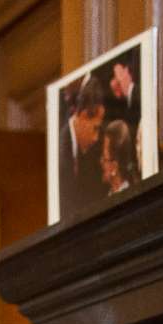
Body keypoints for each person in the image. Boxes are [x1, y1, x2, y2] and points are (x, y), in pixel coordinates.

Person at [57, 72, 109, 217]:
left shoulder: (89, 154)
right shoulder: (59, 149)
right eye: (95, 129)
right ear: (84, 115)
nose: (96, 138)